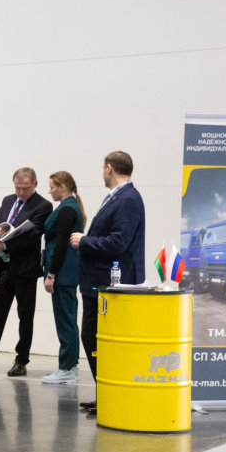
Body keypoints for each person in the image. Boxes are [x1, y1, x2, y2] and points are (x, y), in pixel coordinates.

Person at [70, 151, 145, 414]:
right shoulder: (117, 197)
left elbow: (119, 242)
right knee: (95, 340)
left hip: (111, 283)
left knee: (99, 340)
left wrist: (84, 240)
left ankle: (111, 396)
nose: (102, 173)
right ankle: (105, 393)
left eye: (103, 168)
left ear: (109, 168)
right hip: (99, 282)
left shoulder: (128, 199)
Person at [0, 167, 52, 377]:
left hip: (25, 270)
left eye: (25, 188)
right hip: (4, 268)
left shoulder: (43, 205)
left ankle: (21, 360)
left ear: (35, 184)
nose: (21, 192)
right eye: (18, 188)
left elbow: (33, 234)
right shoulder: (8, 200)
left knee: (25, 316)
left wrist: (6, 245)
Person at [40, 171, 86, 384]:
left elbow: (61, 245)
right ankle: (70, 366)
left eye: (52, 187)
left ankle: (67, 367)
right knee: (67, 319)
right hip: (65, 272)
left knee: (65, 321)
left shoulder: (67, 209)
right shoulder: (68, 207)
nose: (50, 191)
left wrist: (51, 274)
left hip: (63, 272)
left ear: (63, 187)